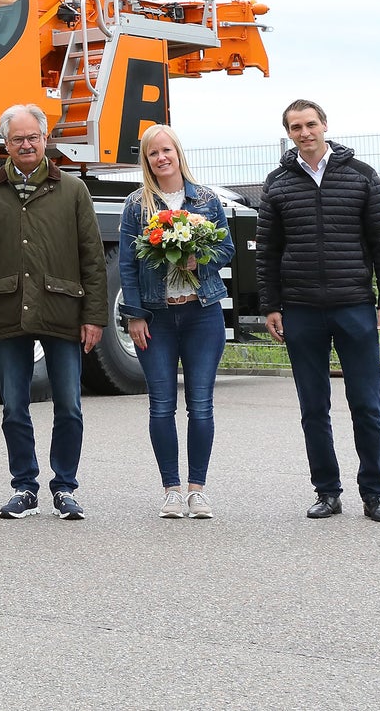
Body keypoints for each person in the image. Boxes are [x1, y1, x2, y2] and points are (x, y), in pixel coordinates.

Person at [258, 100, 380, 523]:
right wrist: (270, 306)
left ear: (325, 126)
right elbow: (267, 251)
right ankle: (327, 491)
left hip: (354, 306)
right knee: (313, 407)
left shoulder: (361, 176)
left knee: (367, 405)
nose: (305, 133)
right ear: (289, 133)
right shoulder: (278, 183)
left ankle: (374, 494)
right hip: (301, 310)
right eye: (296, 127)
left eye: (311, 124)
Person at [0, 103, 106, 521]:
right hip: (6, 310)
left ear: (45, 139)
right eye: (17, 139)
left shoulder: (73, 190)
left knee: (70, 404)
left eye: (32, 137)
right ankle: (24, 486)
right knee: (13, 406)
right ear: (5, 144)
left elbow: (92, 258)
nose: (25, 144)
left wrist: (94, 316)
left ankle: (64, 488)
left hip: (63, 310)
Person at [117, 124, 235, 519]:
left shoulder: (205, 199)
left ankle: (197, 490)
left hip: (202, 313)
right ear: (146, 160)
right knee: (160, 406)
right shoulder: (137, 205)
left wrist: (198, 258)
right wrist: (133, 314)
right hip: (157, 317)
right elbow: (127, 266)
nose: (161, 158)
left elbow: (227, 248)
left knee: (200, 405)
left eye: (166, 150)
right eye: (153, 153)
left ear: (178, 153)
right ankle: (170, 489)